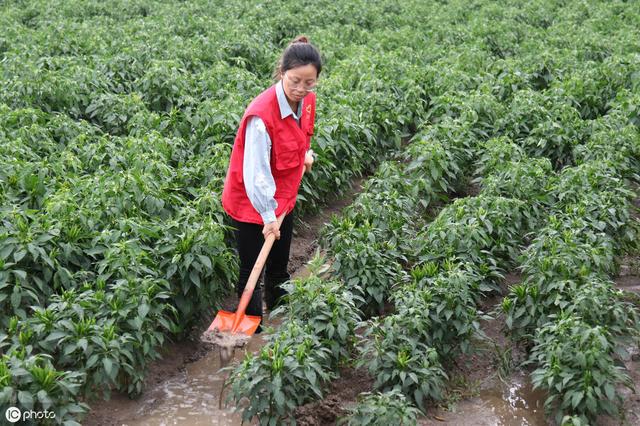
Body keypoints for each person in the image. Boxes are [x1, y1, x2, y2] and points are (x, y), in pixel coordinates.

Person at [221, 35, 321, 333]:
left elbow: (299, 134)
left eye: (309, 82)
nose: (301, 89)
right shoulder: (261, 115)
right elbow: (256, 175)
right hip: (252, 202)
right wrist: (268, 218)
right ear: (282, 73)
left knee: (278, 265)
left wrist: (305, 154)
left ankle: (281, 323)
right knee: (252, 269)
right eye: (295, 81)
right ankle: (253, 333)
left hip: (283, 197)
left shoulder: (307, 101)